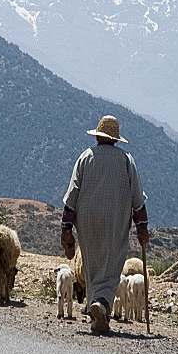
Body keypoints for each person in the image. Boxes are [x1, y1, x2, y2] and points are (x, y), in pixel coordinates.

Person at [61, 114, 148, 334]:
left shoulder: (85, 157)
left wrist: (66, 229)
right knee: (112, 267)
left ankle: (95, 312)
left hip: (87, 220)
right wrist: (142, 228)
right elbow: (138, 199)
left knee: (91, 266)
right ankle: (102, 304)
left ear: (98, 136)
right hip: (115, 221)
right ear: (116, 139)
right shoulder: (126, 160)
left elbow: (72, 196)